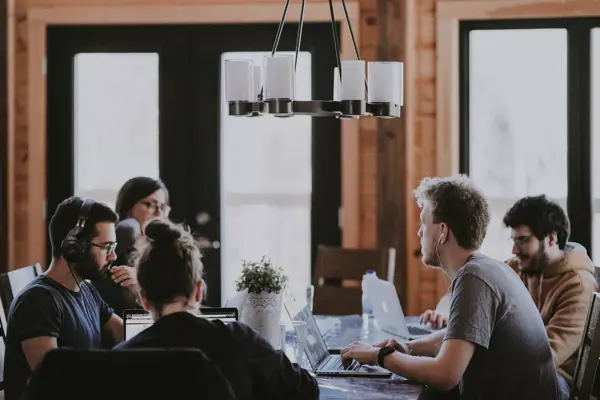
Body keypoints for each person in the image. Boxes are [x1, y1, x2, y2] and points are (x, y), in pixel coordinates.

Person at [340, 175, 561, 399]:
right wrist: (409, 347)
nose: (419, 233)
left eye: (423, 225)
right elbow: (462, 333)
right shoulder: (489, 268)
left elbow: (445, 376)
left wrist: (380, 356)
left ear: (442, 232)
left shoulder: (474, 277)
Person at [114, 219, 319, 400]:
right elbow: (306, 389)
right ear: (198, 291)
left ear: (143, 299)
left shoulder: (120, 360)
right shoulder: (238, 340)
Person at [4, 197, 138, 400]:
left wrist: (142, 290)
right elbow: (53, 386)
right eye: (106, 247)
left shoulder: (86, 290)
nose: (113, 257)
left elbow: (132, 338)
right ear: (73, 247)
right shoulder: (37, 301)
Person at [502, 195, 597, 397]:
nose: (514, 250)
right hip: (518, 371)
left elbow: (544, 357)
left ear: (552, 238)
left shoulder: (578, 285)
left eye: (523, 240)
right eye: (513, 240)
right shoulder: (516, 267)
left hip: (554, 381)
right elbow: (473, 295)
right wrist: (445, 313)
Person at [92, 177, 170, 318]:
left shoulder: (166, 247)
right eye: (150, 204)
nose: (159, 212)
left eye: (163, 207)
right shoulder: (120, 241)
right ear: (128, 209)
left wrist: (142, 280)